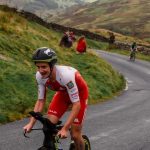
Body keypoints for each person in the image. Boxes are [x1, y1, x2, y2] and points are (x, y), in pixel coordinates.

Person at [23, 47, 89, 150]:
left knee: (75, 134)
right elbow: (40, 101)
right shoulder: (39, 77)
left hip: (79, 94)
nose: (41, 71)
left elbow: (76, 105)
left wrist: (65, 128)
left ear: (52, 65)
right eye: (38, 67)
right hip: (62, 94)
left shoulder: (65, 76)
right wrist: (31, 123)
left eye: (44, 67)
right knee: (48, 126)